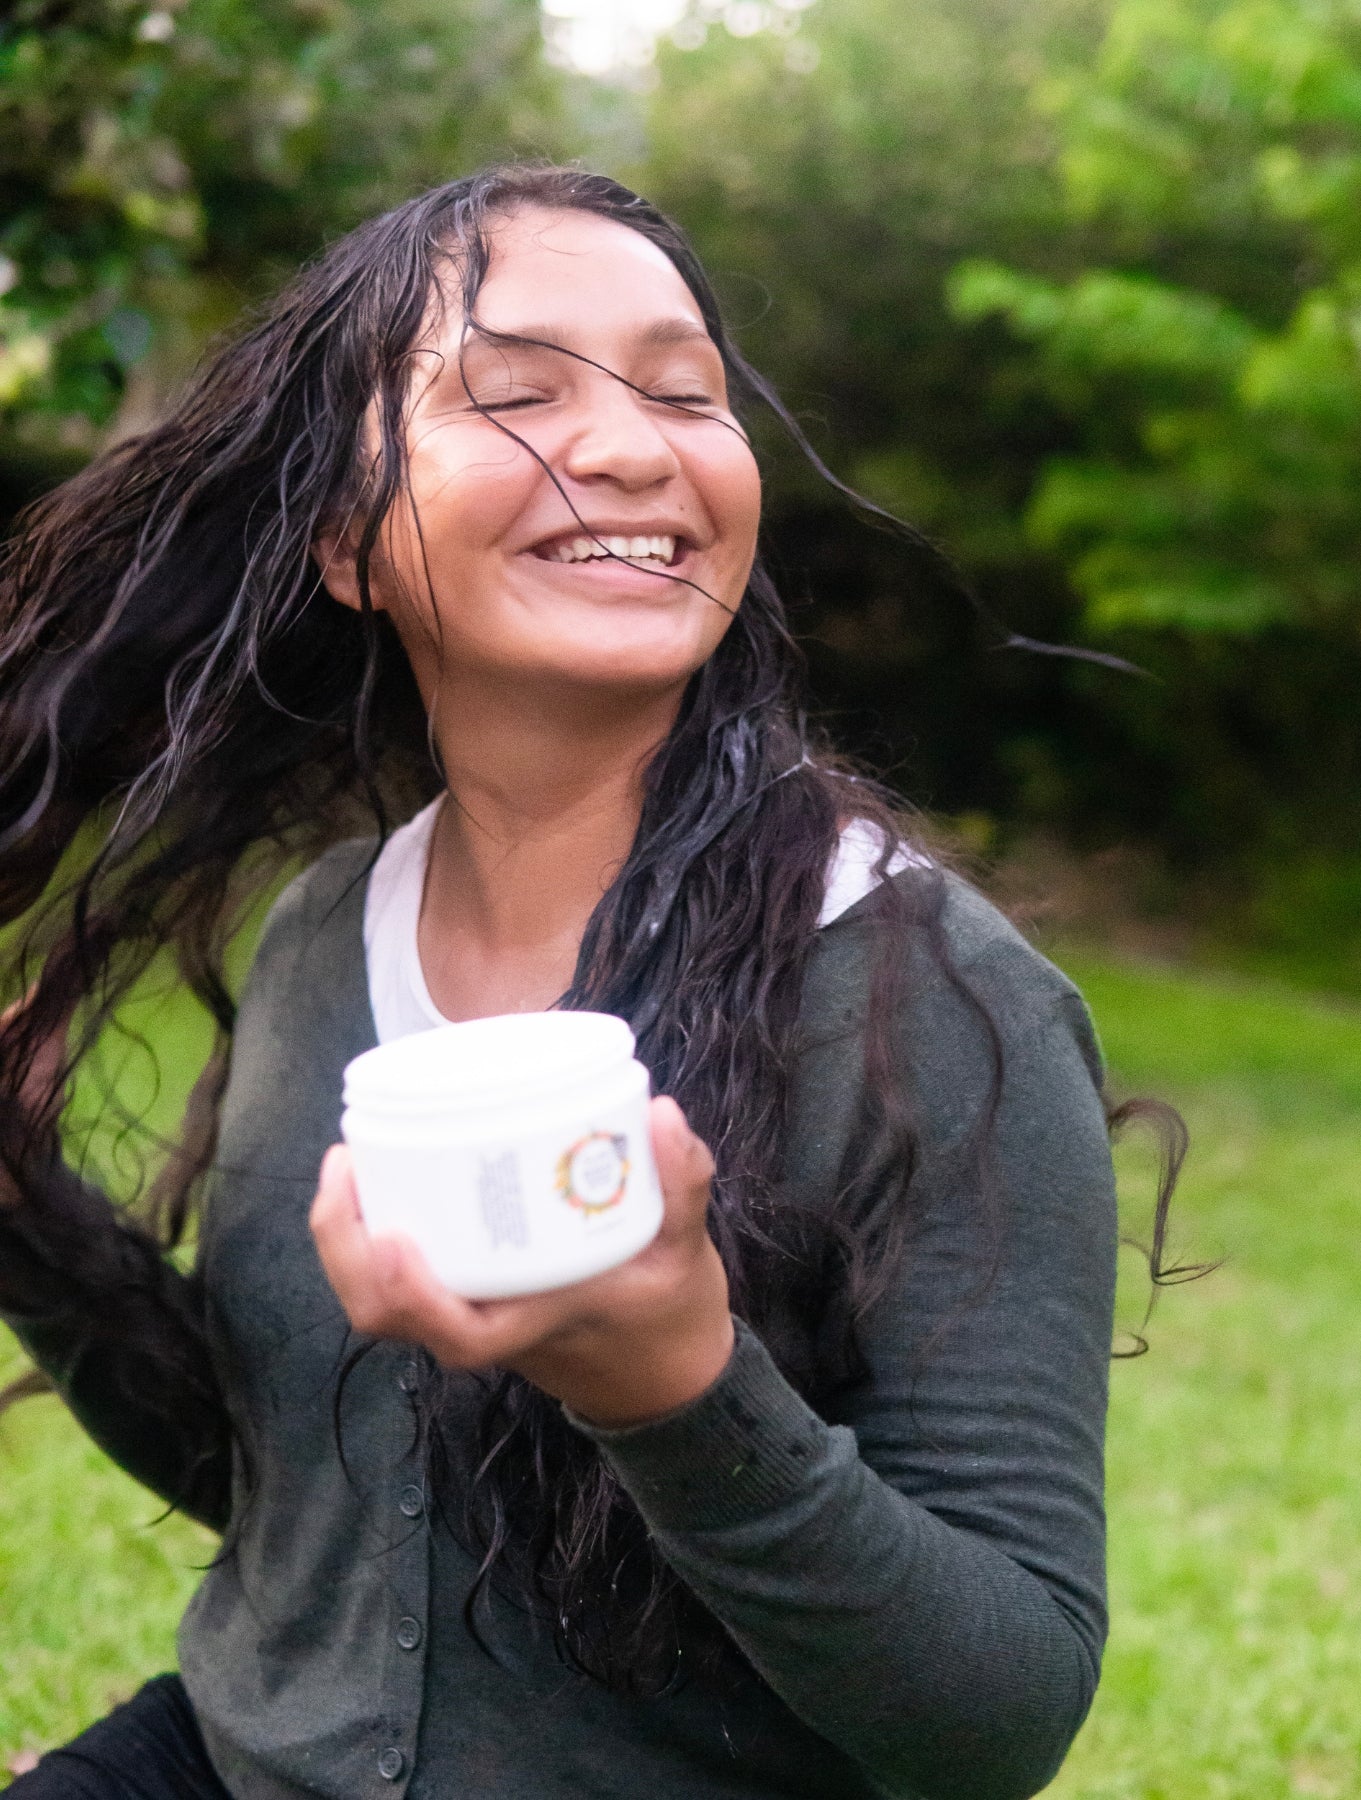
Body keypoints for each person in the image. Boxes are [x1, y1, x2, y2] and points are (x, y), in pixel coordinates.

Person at [0, 164, 1181, 1800]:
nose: (634, 445)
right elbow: (295, 1505)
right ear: (350, 540)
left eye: (685, 391)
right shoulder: (326, 934)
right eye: (518, 391)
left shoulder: (937, 1004)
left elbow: (998, 1719)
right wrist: (20, 1204)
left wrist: (676, 1386)